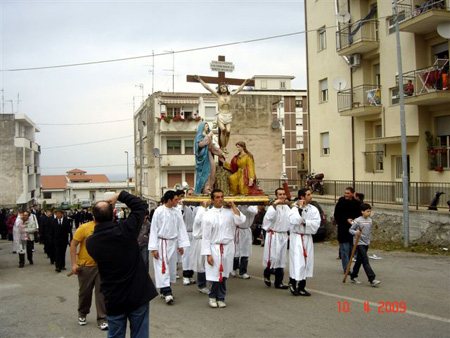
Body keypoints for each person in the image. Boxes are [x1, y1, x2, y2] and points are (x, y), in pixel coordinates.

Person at [86, 191, 158, 338]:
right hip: (138, 293)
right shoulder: (125, 230)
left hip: (114, 296)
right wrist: (119, 195)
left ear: (94, 219)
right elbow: (141, 206)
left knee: (115, 334)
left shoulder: (91, 242)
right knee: (140, 334)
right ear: (113, 215)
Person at [201, 189, 246, 308]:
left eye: (222, 197)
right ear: (212, 200)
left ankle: (221, 297)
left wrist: (233, 206)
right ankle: (212, 296)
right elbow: (206, 237)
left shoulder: (230, 212)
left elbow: (241, 220)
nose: (220, 199)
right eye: (217, 197)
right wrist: (208, 254)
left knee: (224, 274)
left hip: (228, 247)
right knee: (215, 274)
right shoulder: (208, 215)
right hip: (214, 247)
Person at [148, 190, 190, 304]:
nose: (177, 201)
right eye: (175, 200)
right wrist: (153, 248)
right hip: (162, 243)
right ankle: (167, 292)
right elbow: (154, 229)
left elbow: (180, 228)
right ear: (169, 200)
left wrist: (181, 245)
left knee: (171, 268)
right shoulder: (159, 211)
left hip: (173, 242)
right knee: (163, 267)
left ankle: (164, 289)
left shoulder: (176, 212)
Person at [194, 75, 250, 153]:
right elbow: (208, 87)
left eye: (224, 87)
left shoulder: (230, 95)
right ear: (219, 90)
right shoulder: (218, 96)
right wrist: (200, 80)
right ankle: (223, 147)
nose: (223, 88)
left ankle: (225, 146)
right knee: (223, 130)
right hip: (221, 116)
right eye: (221, 88)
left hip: (228, 116)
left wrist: (244, 82)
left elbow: (239, 89)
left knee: (228, 131)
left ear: (227, 88)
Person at [70, 220, 108, 330]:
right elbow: (73, 244)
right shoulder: (84, 228)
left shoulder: (108, 227)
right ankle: (82, 313)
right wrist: (74, 263)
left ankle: (102, 318)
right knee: (85, 292)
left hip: (101, 266)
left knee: (101, 292)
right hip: (86, 266)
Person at [288, 189, 321, 296]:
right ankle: (292, 283)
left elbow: (316, 223)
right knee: (297, 261)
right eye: (308, 195)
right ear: (302, 197)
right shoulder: (294, 209)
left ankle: (302, 286)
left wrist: (306, 222)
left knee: (307, 262)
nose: (310, 196)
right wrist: (300, 209)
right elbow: (295, 221)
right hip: (297, 237)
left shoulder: (313, 209)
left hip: (307, 237)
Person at [262, 188, 291, 289]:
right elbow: (269, 218)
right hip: (273, 236)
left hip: (283, 235)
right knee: (272, 257)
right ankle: (267, 274)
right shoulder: (272, 207)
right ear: (276, 196)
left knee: (281, 259)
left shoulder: (287, 207)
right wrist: (274, 205)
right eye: (280, 195)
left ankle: (279, 282)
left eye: (283, 194)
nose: (282, 196)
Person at [349, 203, 381, 287]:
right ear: (362, 212)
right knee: (365, 260)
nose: (369, 213)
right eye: (367, 211)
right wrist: (356, 232)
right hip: (359, 243)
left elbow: (368, 232)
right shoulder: (358, 220)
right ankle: (372, 279)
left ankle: (353, 275)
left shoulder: (370, 220)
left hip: (366, 243)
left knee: (360, 260)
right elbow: (351, 230)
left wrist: (368, 240)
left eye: (370, 211)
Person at [334, 187, 361, 274]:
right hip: (343, 230)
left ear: (352, 194)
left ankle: (349, 266)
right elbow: (337, 215)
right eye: (345, 193)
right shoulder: (340, 203)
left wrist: (354, 222)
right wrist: (346, 220)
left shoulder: (356, 204)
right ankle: (346, 268)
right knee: (344, 250)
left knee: (351, 250)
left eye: (348, 193)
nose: (346, 195)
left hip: (353, 230)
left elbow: (359, 215)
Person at [194, 122, 226, 194]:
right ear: (202, 127)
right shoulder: (200, 136)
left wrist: (221, 153)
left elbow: (213, 148)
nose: (207, 127)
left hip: (209, 155)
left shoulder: (208, 137)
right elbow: (201, 144)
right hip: (204, 157)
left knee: (213, 169)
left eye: (207, 126)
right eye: (205, 126)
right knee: (206, 171)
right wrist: (208, 136)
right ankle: (206, 188)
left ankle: (211, 188)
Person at [232, 205, 257, 279]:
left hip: (247, 230)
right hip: (238, 230)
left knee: (245, 252)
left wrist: (248, 205)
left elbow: (254, 211)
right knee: (236, 251)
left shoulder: (253, 207)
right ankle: (233, 268)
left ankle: (243, 271)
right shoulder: (238, 206)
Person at [190, 201, 210, 294]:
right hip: (201, 240)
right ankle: (202, 285)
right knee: (202, 263)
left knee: (209, 263)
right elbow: (198, 220)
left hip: (209, 241)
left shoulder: (209, 210)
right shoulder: (200, 211)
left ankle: (208, 283)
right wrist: (204, 208)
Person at [181, 188, 197, 285]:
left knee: (192, 255)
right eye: (189, 194)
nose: (191, 195)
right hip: (186, 233)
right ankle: (185, 276)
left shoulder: (196, 207)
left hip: (194, 234)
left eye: (192, 194)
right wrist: (182, 205)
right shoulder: (183, 206)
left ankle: (190, 274)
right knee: (186, 255)